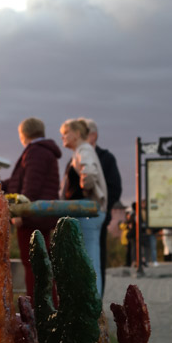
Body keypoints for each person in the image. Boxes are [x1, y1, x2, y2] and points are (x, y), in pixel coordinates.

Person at [0, 117, 61, 296]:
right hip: (41, 215)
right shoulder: (43, 151)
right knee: (41, 262)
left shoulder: (35, 152)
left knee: (33, 263)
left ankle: (39, 306)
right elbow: (21, 180)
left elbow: (31, 186)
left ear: (24, 134)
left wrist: (21, 212)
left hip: (33, 217)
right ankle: (48, 303)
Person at [59, 118, 107, 295]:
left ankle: (93, 302)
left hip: (87, 211)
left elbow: (89, 173)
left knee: (89, 260)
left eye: (66, 133)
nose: (63, 137)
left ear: (77, 134)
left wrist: (85, 188)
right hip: (85, 211)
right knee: (89, 259)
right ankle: (92, 301)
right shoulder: (81, 150)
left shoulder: (84, 150)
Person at [77, 118, 122, 293]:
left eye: (82, 132)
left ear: (93, 135)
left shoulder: (106, 158)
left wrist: (102, 208)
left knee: (96, 257)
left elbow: (115, 188)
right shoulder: (77, 156)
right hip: (77, 216)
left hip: (96, 216)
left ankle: (96, 298)